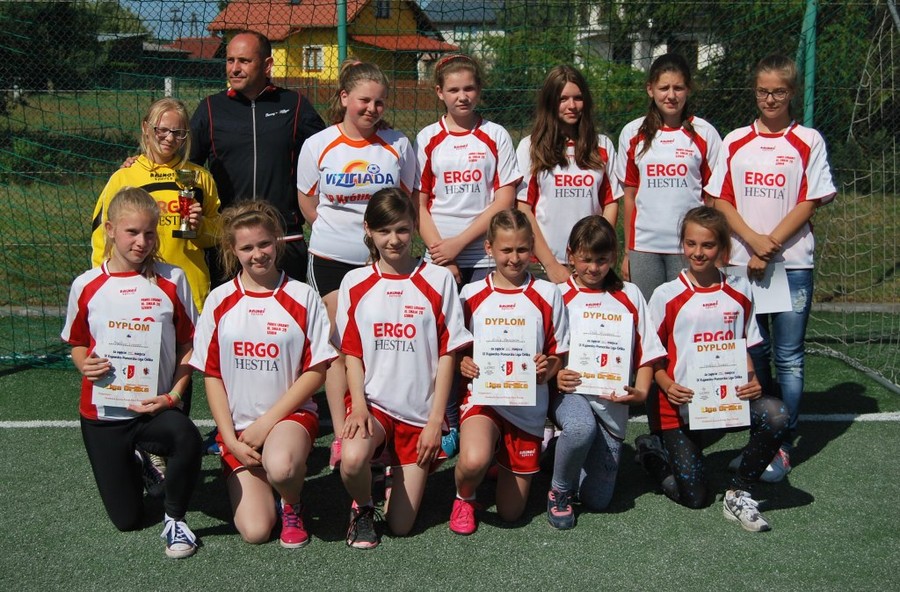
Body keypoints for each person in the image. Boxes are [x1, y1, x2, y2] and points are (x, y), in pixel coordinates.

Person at [708, 54, 836, 482]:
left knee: (790, 358)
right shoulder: (735, 140)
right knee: (753, 353)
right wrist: (753, 241)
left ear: (792, 93)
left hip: (791, 265)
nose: (770, 99)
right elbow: (721, 200)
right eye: (763, 91)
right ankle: (761, 435)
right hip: (743, 265)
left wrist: (770, 245)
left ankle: (781, 445)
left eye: (778, 92)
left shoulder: (808, 140)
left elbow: (810, 200)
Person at [62, 187, 202, 558]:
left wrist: (173, 396)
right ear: (110, 230)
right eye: (132, 232)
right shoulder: (86, 285)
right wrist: (83, 363)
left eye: (149, 233)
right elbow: (77, 343)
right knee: (127, 520)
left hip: (154, 409)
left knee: (186, 436)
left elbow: (189, 346)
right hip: (104, 414)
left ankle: (175, 519)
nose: (142, 242)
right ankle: (140, 462)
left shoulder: (172, 279)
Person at [190, 201, 336, 548]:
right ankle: (255, 478)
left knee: (282, 467)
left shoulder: (302, 296)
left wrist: (266, 423)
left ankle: (292, 503)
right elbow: (212, 375)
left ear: (277, 242)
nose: (258, 254)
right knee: (255, 532)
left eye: (264, 244)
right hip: (239, 431)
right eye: (247, 248)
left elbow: (316, 371)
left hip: (289, 418)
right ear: (233, 250)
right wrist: (230, 440)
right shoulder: (219, 300)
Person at [335, 188, 472, 548]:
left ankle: (389, 471)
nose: (393, 240)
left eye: (401, 230)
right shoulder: (354, 282)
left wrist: (435, 421)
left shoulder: (439, 280)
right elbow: (352, 354)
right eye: (384, 231)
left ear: (414, 227)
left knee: (400, 526)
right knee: (352, 458)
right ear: (368, 230)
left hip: (419, 415)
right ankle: (364, 507)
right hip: (374, 407)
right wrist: (359, 406)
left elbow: (448, 355)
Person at [638, 206, 789, 532]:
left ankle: (740, 491)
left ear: (722, 247)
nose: (698, 252)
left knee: (776, 414)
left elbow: (744, 343)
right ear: (683, 244)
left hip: (727, 402)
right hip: (680, 407)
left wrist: (752, 380)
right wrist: (666, 384)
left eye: (707, 245)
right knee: (694, 497)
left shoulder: (740, 289)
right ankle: (654, 453)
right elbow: (651, 355)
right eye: (691, 243)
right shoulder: (666, 295)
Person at [297, 60, 416, 469]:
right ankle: (342, 429)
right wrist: (339, 233)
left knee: (378, 341)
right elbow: (308, 202)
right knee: (337, 343)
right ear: (345, 97)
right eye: (364, 100)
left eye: (379, 102)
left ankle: (383, 424)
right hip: (331, 259)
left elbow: (406, 200)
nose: (372, 109)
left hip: (380, 262)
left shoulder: (398, 144)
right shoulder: (319, 144)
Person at [413, 53, 522, 456]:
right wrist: (442, 253)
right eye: (454, 89)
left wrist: (460, 245)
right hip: (440, 256)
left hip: (484, 255)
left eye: (469, 88)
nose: (462, 96)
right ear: (439, 92)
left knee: (484, 340)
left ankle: (485, 415)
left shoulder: (495, 134)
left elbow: (505, 199)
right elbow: (419, 203)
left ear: (479, 91)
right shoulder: (428, 138)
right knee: (443, 342)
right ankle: (446, 419)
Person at [450, 209, 568, 535]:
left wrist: (547, 368)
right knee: (472, 460)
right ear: (489, 248)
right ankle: (464, 497)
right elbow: (456, 352)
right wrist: (462, 363)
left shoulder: (548, 294)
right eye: (506, 250)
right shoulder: (470, 295)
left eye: (521, 249)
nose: (514, 259)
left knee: (511, 513)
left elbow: (559, 354)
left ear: (532, 248)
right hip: (483, 400)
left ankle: (500, 457)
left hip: (527, 407)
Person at [549, 216, 665, 529]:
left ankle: (559, 453)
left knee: (597, 500)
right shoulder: (557, 294)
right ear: (571, 255)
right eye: (585, 259)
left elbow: (648, 351)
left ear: (614, 256)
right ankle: (559, 491)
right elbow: (547, 350)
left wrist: (641, 392)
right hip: (569, 396)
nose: (593, 268)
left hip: (611, 404)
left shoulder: (630, 294)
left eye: (601, 260)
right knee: (580, 428)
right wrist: (556, 375)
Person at [190, 30, 326, 284]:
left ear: (267, 65)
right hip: (230, 241)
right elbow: (184, 164)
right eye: (230, 60)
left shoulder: (294, 105)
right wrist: (140, 165)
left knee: (288, 309)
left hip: (284, 238)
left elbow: (330, 153)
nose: (235, 68)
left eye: (244, 61)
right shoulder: (210, 108)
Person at [91, 97, 220, 316]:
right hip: (137, 290)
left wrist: (200, 227)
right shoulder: (124, 177)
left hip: (189, 291)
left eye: (178, 132)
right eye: (162, 130)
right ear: (145, 127)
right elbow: (102, 236)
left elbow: (219, 233)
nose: (170, 138)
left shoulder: (200, 177)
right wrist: (104, 283)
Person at [615, 53, 722, 301]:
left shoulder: (705, 133)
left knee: (688, 313)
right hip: (644, 248)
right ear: (650, 89)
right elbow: (629, 196)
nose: (671, 95)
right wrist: (629, 251)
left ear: (688, 89)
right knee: (649, 317)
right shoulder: (632, 133)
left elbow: (713, 199)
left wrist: (714, 247)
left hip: (689, 248)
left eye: (678, 88)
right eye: (664, 88)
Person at [516, 65, 619, 284]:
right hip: (543, 264)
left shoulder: (602, 145)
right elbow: (523, 208)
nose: (572, 106)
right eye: (563, 99)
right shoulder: (530, 146)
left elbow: (610, 203)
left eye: (578, 98)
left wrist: (599, 250)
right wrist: (550, 265)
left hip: (590, 264)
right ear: (550, 102)